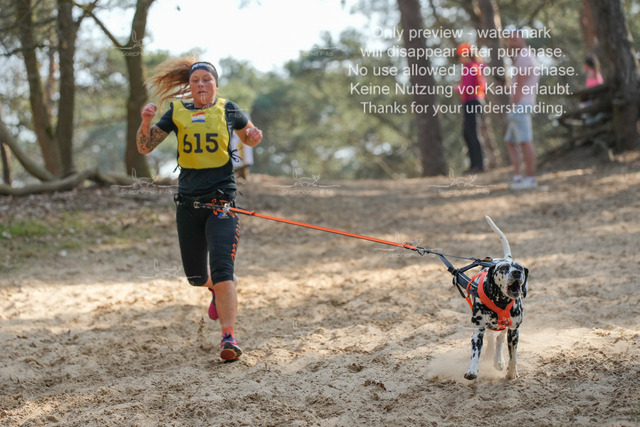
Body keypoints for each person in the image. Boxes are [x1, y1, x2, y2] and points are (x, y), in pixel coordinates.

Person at [136, 58, 263, 361]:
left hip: (222, 202)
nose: (201, 84)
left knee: (223, 271)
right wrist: (145, 122)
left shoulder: (228, 109)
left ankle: (228, 337)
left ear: (216, 84)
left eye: (207, 79)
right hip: (188, 204)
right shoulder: (177, 111)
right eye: (196, 81)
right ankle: (215, 291)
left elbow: (248, 137)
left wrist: (254, 137)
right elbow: (144, 146)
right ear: (189, 86)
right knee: (195, 276)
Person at [504, 33, 540, 190]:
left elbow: (521, 86)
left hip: (521, 105)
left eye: (515, 38)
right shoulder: (522, 56)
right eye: (510, 39)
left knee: (525, 141)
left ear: (522, 39)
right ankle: (518, 177)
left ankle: (531, 179)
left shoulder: (523, 56)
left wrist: (512, 105)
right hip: (522, 104)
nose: (512, 41)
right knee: (510, 141)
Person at [456, 43, 486, 174]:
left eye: (460, 56)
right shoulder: (475, 66)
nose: (459, 58)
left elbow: (467, 88)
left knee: (472, 133)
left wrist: (457, 88)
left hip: (472, 101)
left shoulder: (470, 68)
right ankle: (475, 164)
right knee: (468, 133)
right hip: (474, 101)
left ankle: (478, 165)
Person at [230, 112, 254, 180]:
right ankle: (238, 170)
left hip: (241, 114)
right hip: (231, 115)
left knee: (242, 142)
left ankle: (242, 171)